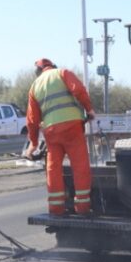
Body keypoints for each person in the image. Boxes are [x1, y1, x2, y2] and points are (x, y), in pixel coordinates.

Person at [24, 58, 96, 215]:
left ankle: (56, 208)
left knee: (53, 168)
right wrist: (89, 110)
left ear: (38, 72)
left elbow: (32, 120)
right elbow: (79, 90)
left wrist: (34, 143)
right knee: (80, 166)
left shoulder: (34, 86)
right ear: (52, 66)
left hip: (51, 131)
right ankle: (82, 207)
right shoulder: (63, 73)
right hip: (72, 128)